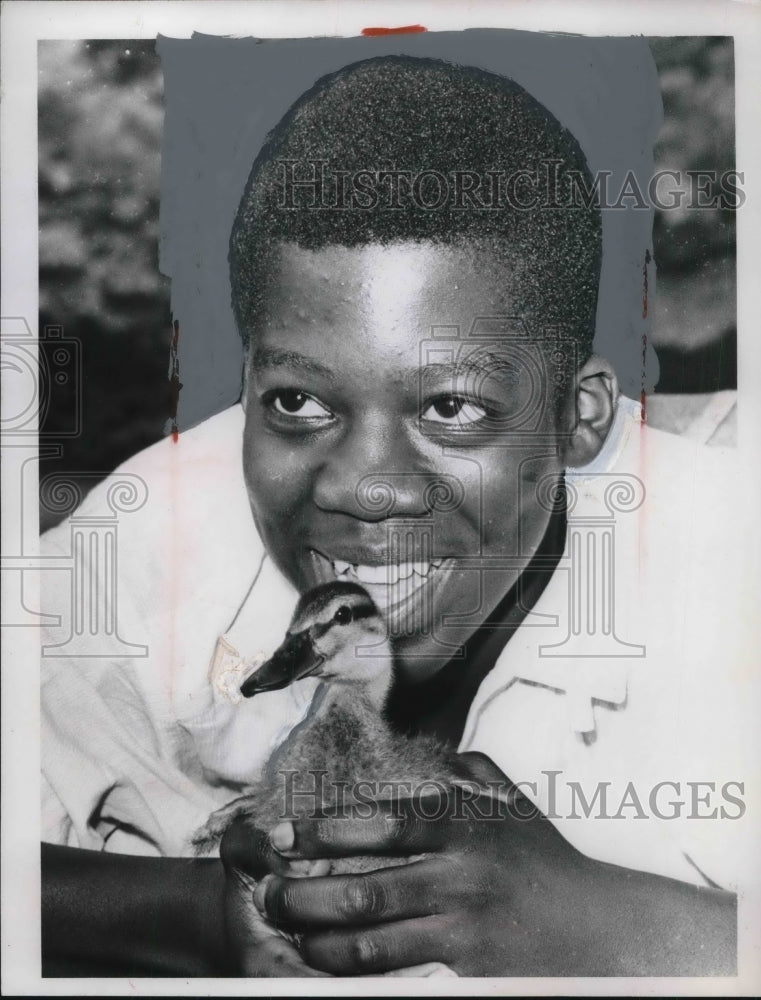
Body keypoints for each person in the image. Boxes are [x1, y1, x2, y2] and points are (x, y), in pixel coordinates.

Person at [40, 54, 744, 977]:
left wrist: (622, 927)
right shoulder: (166, 535)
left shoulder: (729, 587)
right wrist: (194, 915)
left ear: (579, 420)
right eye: (297, 403)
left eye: (450, 408)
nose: (363, 488)